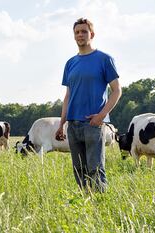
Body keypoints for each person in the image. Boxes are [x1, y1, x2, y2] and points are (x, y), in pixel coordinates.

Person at [55, 18, 121, 192]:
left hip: (93, 124)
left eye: (84, 31)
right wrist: (61, 124)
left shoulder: (104, 59)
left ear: (92, 34)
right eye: (77, 32)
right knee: (79, 170)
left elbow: (116, 91)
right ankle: (86, 203)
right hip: (73, 125)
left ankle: (101, 206)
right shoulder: (70, 63)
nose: (80, 35)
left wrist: (101, 116)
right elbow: (68, 95)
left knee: (95, 169)